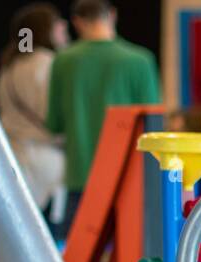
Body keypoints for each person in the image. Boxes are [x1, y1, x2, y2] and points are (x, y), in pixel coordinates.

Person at [45, 0, 161, 230]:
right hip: (128, 177)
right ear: (113, 15)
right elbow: (154, 125)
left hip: (81, 175)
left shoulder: (63, 61)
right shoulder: (140, 60)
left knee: (74, 258)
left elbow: (54, 123)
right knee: (132, 254)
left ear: (77, 22)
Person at [0, 4, 69, 236]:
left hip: (15, 162)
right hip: (50, 165)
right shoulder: (54, 65)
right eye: (58, 24)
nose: (64, 28)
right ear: (47, 30)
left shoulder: (6, 69)